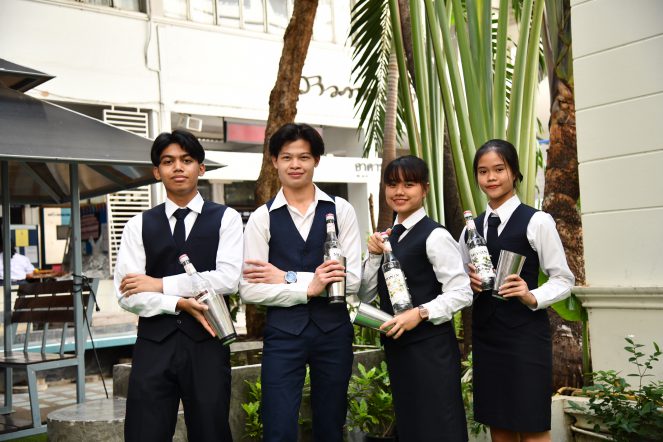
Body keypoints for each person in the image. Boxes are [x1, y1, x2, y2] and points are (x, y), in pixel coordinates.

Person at [114, 129, 243, 442]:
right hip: (153, 345)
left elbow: (227, 278)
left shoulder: (226, 218)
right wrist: (176, 303)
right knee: (144, 433)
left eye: (186, 160)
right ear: (157, 172)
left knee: (211, 432)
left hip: (207, 343)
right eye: (168, 161)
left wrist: (159, 284)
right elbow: (127, 293)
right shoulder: (137, 224)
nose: (178, 167)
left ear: (201, 168)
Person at [239, 123, 361, 442]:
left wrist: (286, 277)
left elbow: (352, 280)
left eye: (304, 157)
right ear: (274, 162)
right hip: (283, 335)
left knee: (331, 425)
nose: (295, 164)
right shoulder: (262, 217)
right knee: (277, 426)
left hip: (333, 333)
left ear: (316, 161)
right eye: (287, 157)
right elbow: (249, 288)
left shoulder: (341, 210)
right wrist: (308, 286)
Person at [458, 139, 574, 442]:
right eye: (483, 171)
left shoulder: (537, 221)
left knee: (533, 426)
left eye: (499, 169)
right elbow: (458, 283)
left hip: (526, 338)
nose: (491, 177)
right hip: (487, 336)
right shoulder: (471, 228)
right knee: (499, 427)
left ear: (514, 172)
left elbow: (564, 279)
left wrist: (531, 294)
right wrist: (468, 284)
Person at [359, 155, 472, 442]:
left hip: (432, 350)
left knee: (440, 427)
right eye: (392, 184)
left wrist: (420, 313)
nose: (399, 191)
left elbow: (462, 291)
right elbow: (365, 294)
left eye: (409, 184)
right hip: (400, 351)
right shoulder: (387, 239)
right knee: (412, 428)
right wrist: (374, 255)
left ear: (425, 189)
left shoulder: (435, 236)